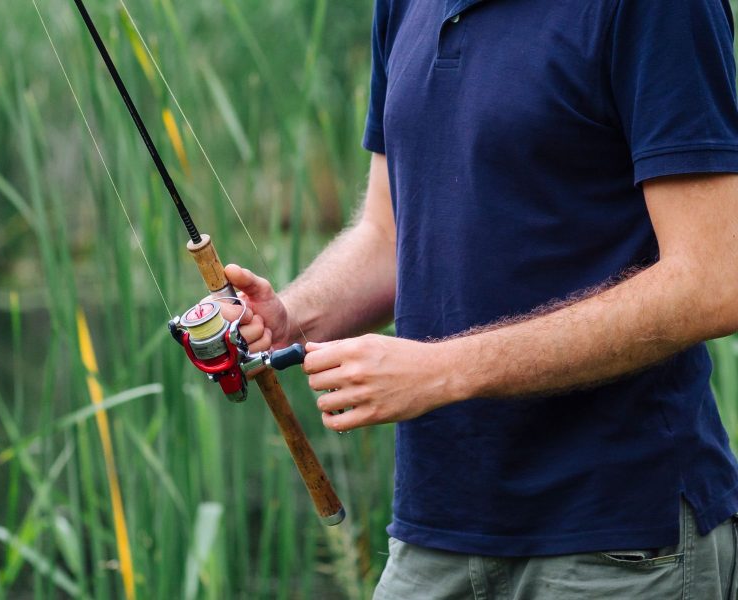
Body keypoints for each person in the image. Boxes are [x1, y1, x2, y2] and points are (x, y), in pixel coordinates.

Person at [220, 0, 738, 597]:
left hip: (621, 541)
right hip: (433, 535)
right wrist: (290, 318)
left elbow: (710, 284)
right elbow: (389, 235)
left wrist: (446, 371)